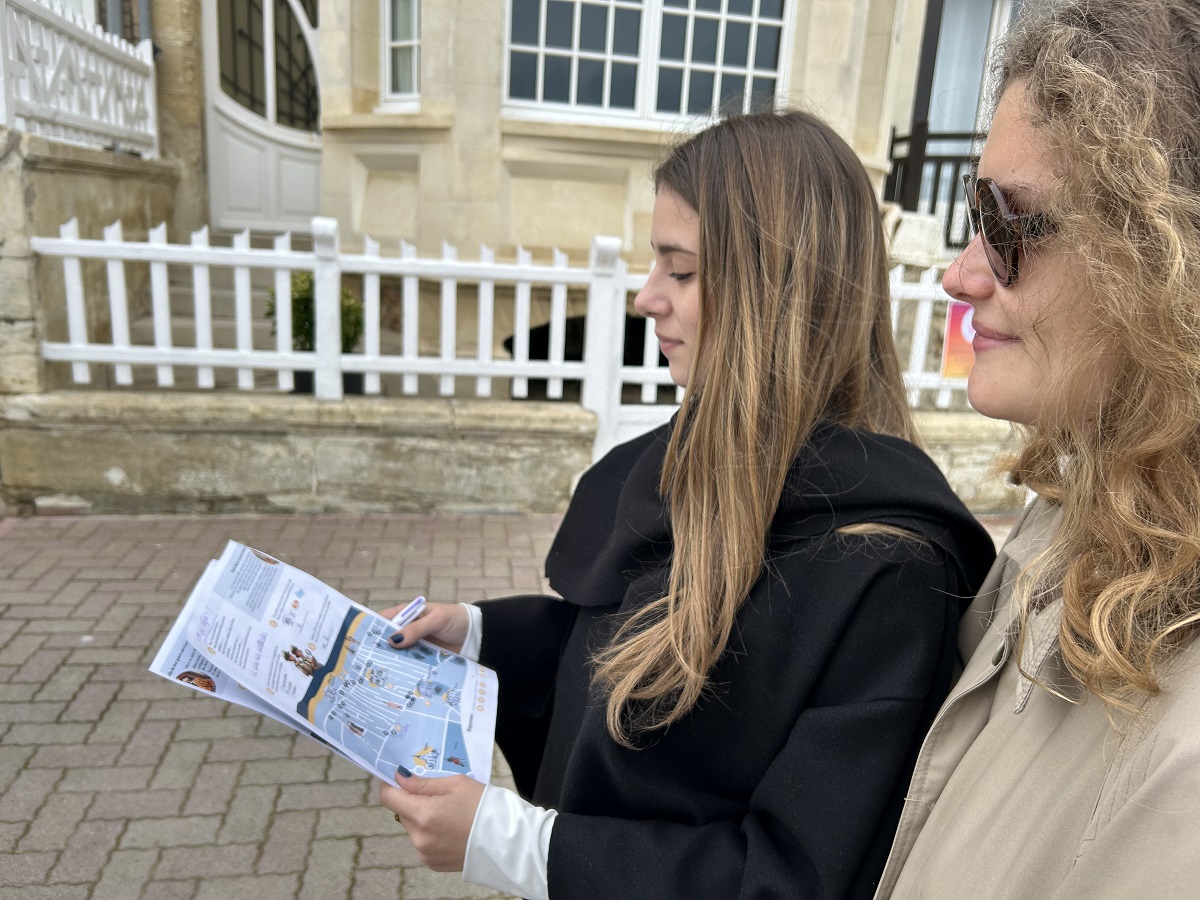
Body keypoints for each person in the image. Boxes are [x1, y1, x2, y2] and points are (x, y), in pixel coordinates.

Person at [379, 110, 996, 900]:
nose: (645, 298)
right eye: (652, 265)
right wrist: (475, 633)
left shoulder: (887, 574)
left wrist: (511, 843)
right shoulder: (693, 463)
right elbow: (624, 641)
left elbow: (795, 877)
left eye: (680, 270)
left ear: (774, 289)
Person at [874, 2, 1200, 897]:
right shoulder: (1073, 521)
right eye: (972, 213)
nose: (962, 272)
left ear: (1169, 259)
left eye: (1009, 223)